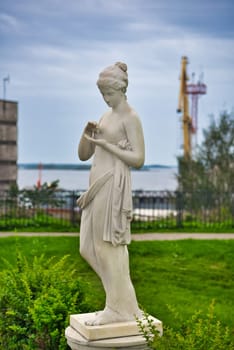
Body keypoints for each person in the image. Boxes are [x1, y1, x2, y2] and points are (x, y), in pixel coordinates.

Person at [77, 62, 145, 326]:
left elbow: (138, 158)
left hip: (113, 186)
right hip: (96, 188)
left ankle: (116, 308)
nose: (106, 99)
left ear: (122, 89)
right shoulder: (104, 117)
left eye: (109, 94)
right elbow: (84, 155)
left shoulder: (131, 117)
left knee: (109, 250)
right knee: (87, 248)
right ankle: (123, 302)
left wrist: (109, 145)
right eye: (103, 94)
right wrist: (86, 135)